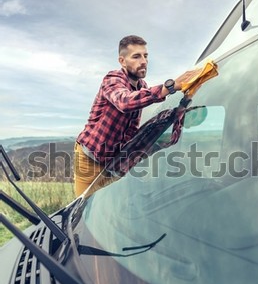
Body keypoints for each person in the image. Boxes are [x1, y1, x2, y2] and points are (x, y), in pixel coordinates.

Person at [74, 35, 196, 197]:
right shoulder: (112, 80)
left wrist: (185, 100)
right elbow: (124, 102)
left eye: (145, 56)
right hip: (89, 159)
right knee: (83, 208)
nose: (144, 61)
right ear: (122, 61)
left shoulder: (143, 87)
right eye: (136, 56)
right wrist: (169, 87)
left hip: (114, 164)